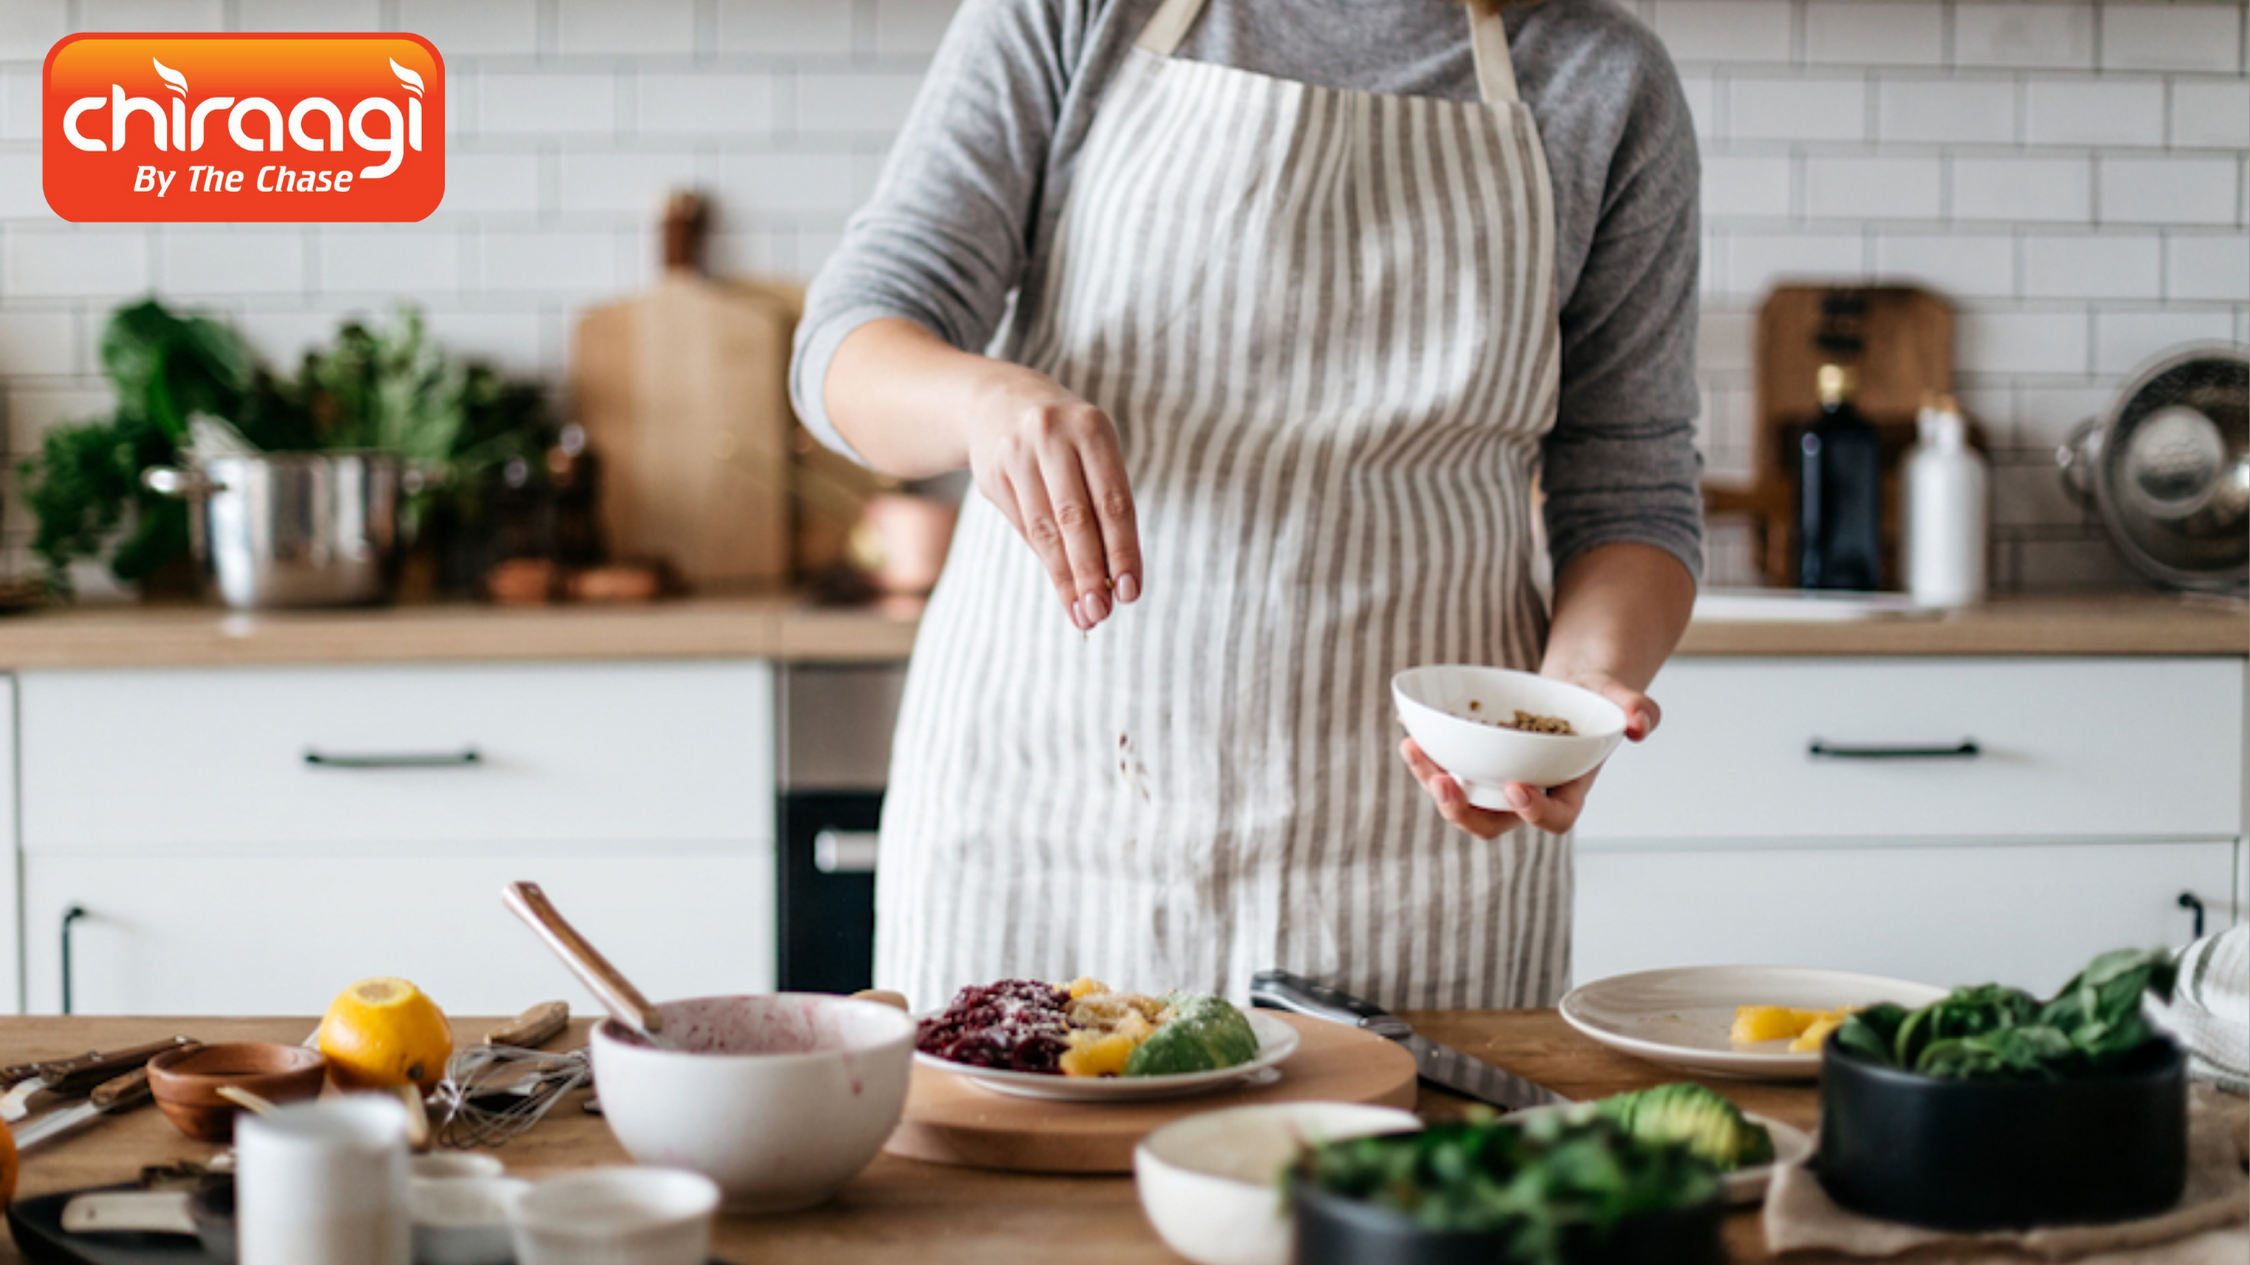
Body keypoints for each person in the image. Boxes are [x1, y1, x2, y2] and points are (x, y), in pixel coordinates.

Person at [791, 0, 1704, 1011]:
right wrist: (983, 402)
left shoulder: (1602, 78)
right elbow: (846, 345)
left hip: (1419, 850)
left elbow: (1632, 488)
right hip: (1053, 817)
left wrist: (1571, 698)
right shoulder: (1079, 13)